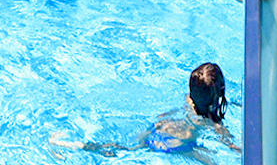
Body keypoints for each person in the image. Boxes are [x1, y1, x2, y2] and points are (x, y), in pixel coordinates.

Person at [51, 62, 238, 161]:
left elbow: (168, 114)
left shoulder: (188, 99)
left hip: (157, 129)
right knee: (212, 162)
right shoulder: (213, 120)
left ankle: (68, 144)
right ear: (220, 92)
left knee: (121, 148)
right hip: (180, 143)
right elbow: (229, 143)